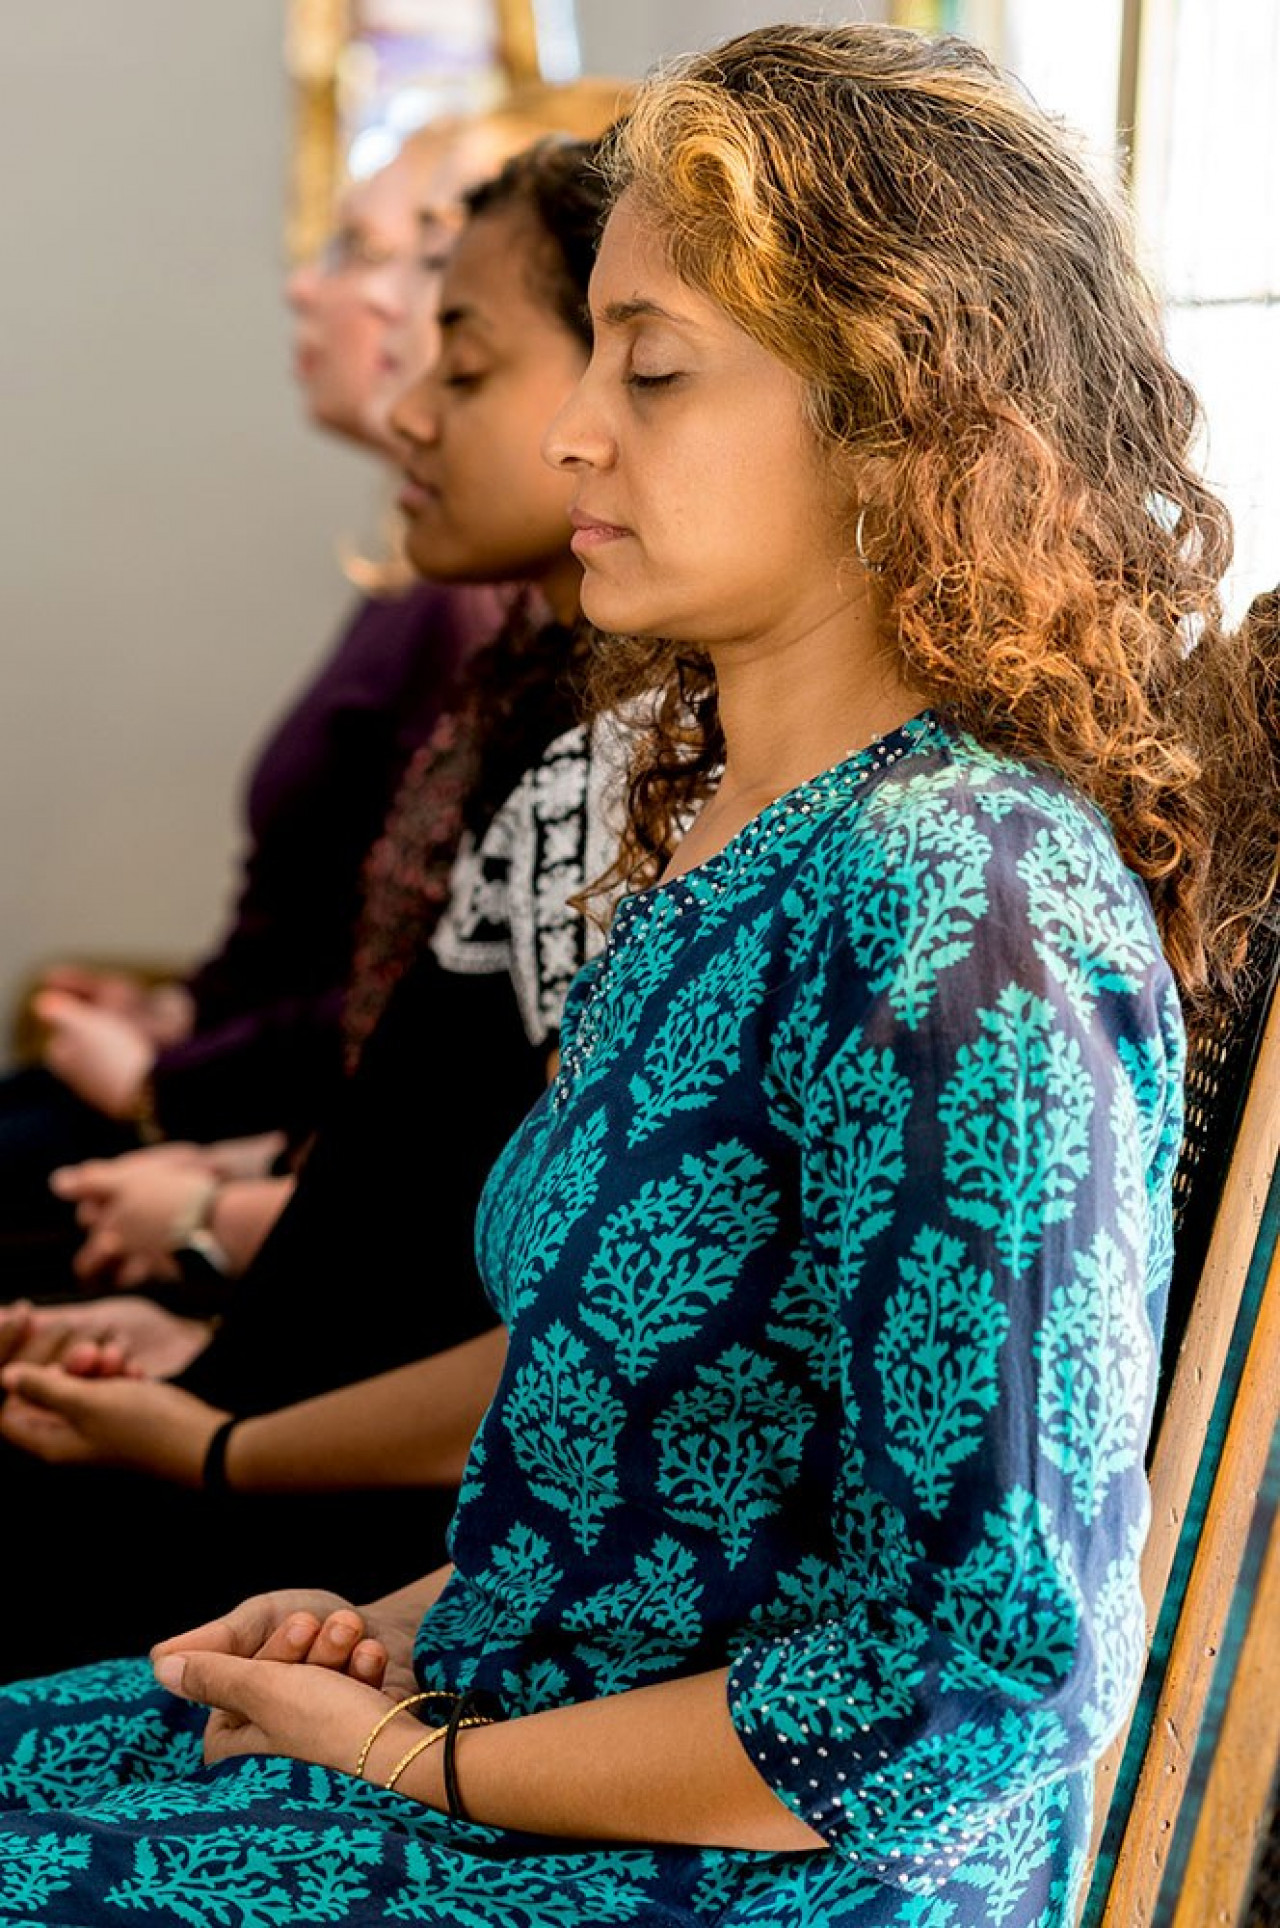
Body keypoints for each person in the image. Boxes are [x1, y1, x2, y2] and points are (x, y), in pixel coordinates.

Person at [0, 25, 1276, 1927]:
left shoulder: (972, 919)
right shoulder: (744, 844)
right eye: (588, 346)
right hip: (519, 1745)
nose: (580, 425)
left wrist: (418, 1754)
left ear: (901, 421)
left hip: (739, 1877)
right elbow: (638, 1456)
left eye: (653, 366)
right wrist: (381, 1629)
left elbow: (984, 1674)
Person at [0, 135, 621, 1680]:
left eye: (461, 361)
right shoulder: (553, 718)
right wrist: (225, 1338)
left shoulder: (687, 795)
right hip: (300, 1421)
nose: (412, 398)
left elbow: (585, 1341)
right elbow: (417, 1163)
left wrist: (218, 1384)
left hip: (348, 1508)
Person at [0, 122, 507, 1250]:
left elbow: (424, 1009)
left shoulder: (472, 608)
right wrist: (183, 1014)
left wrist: (167, 1094)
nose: (319, 290)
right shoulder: (423, 574)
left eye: (383, 251)